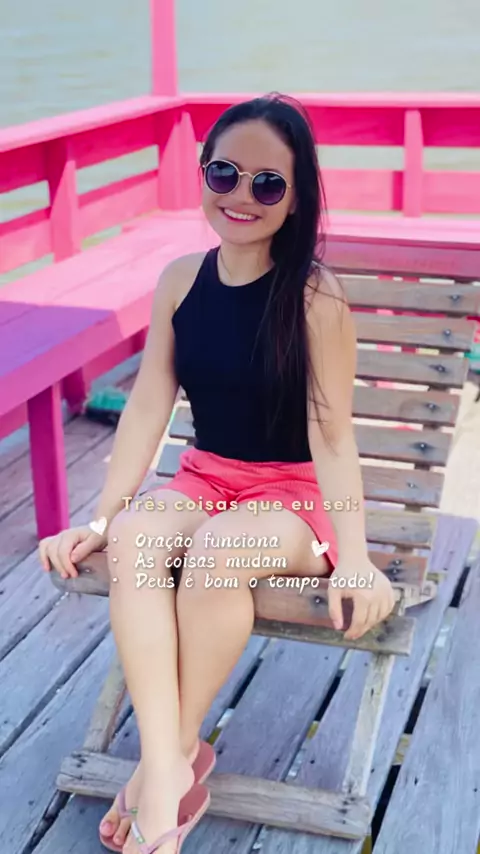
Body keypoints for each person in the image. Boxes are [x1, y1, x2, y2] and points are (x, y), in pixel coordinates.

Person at [38, 93, 395, 854]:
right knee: (137, 537)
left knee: (216, 552)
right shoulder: (180, 280)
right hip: (205, 479)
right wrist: (102, 518)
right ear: (202, 173)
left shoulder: (315, 297)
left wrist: (357, 558)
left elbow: (334, 437)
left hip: (294, 499)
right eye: (225, 173)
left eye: (268, 183)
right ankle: (171, 760)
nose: (242, 195)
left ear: (296, 198)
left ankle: (161, 770)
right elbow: (147, 408)